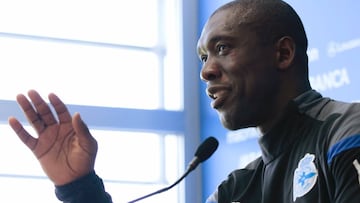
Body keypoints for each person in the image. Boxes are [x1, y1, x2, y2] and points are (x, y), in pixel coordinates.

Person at [8, 0, 360, 202]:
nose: (206, 71)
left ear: (283, 53)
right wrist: (79, 186)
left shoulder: (346, 132)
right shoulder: (237, 188)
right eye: (202, 57)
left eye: (222, 49)